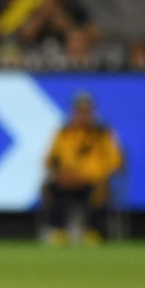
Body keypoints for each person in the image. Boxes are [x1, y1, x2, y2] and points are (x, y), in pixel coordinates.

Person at [41, 92, 123, 246]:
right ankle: (59, 232)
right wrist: (61, 174)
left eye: (87, 112)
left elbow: (115, 162)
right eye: (80, 112)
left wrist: (90, 175)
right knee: (51, 188)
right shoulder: (63, 133)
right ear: (73, 112)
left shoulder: (102, 134)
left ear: (93, 113)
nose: (83, 116)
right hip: (66, 181)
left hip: (92, 181)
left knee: (100, 191)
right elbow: (50, 160)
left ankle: (93, 233)